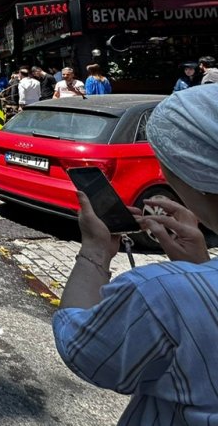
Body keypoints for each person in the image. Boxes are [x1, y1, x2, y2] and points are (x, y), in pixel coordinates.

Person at [53, 84, 218, 424]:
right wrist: (200, 268)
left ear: (189, 172)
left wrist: (96, 251)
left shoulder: (160, 293)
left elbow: (83, 349)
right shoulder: (185, 289)